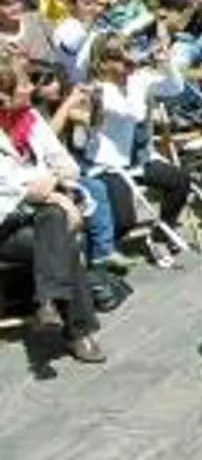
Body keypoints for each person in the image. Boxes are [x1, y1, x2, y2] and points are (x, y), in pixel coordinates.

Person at [0, 62, 105, 363]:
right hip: (5, 224)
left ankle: (49, 302)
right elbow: (10, 186)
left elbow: (67, 164)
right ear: (2, 95)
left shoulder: (31, 118)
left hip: (40, 217)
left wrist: (53, 185)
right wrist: (53, 194)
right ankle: (78, 330)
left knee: (53, 223)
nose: (31, 88)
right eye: (22, 85)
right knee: (61, 238)